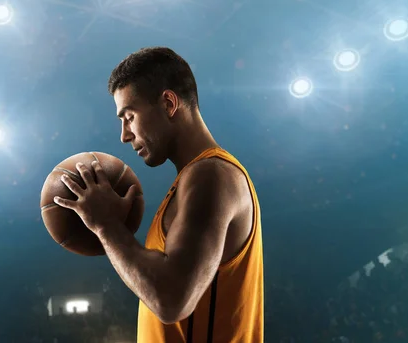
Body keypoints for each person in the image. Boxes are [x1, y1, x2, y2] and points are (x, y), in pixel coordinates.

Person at [53, 46, 264, 343]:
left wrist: (107, 226)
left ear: (168, 103)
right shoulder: (193, 180)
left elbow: (171, 301)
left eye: (129, 117)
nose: (124, 135)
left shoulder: (212, 176)